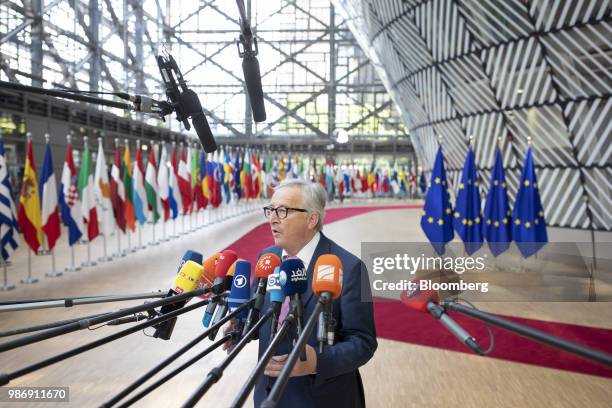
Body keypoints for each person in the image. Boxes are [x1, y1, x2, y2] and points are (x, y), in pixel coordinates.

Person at [226, 178, 377, 407]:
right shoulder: (268, 258)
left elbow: (363, 342)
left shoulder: (351, 267)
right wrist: (241, 325)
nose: (272, 218)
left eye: (283, 211)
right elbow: (262, 315)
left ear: (311, 219)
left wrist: (317, 361)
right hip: (268, 396)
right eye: (271, 210)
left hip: (322, 399)